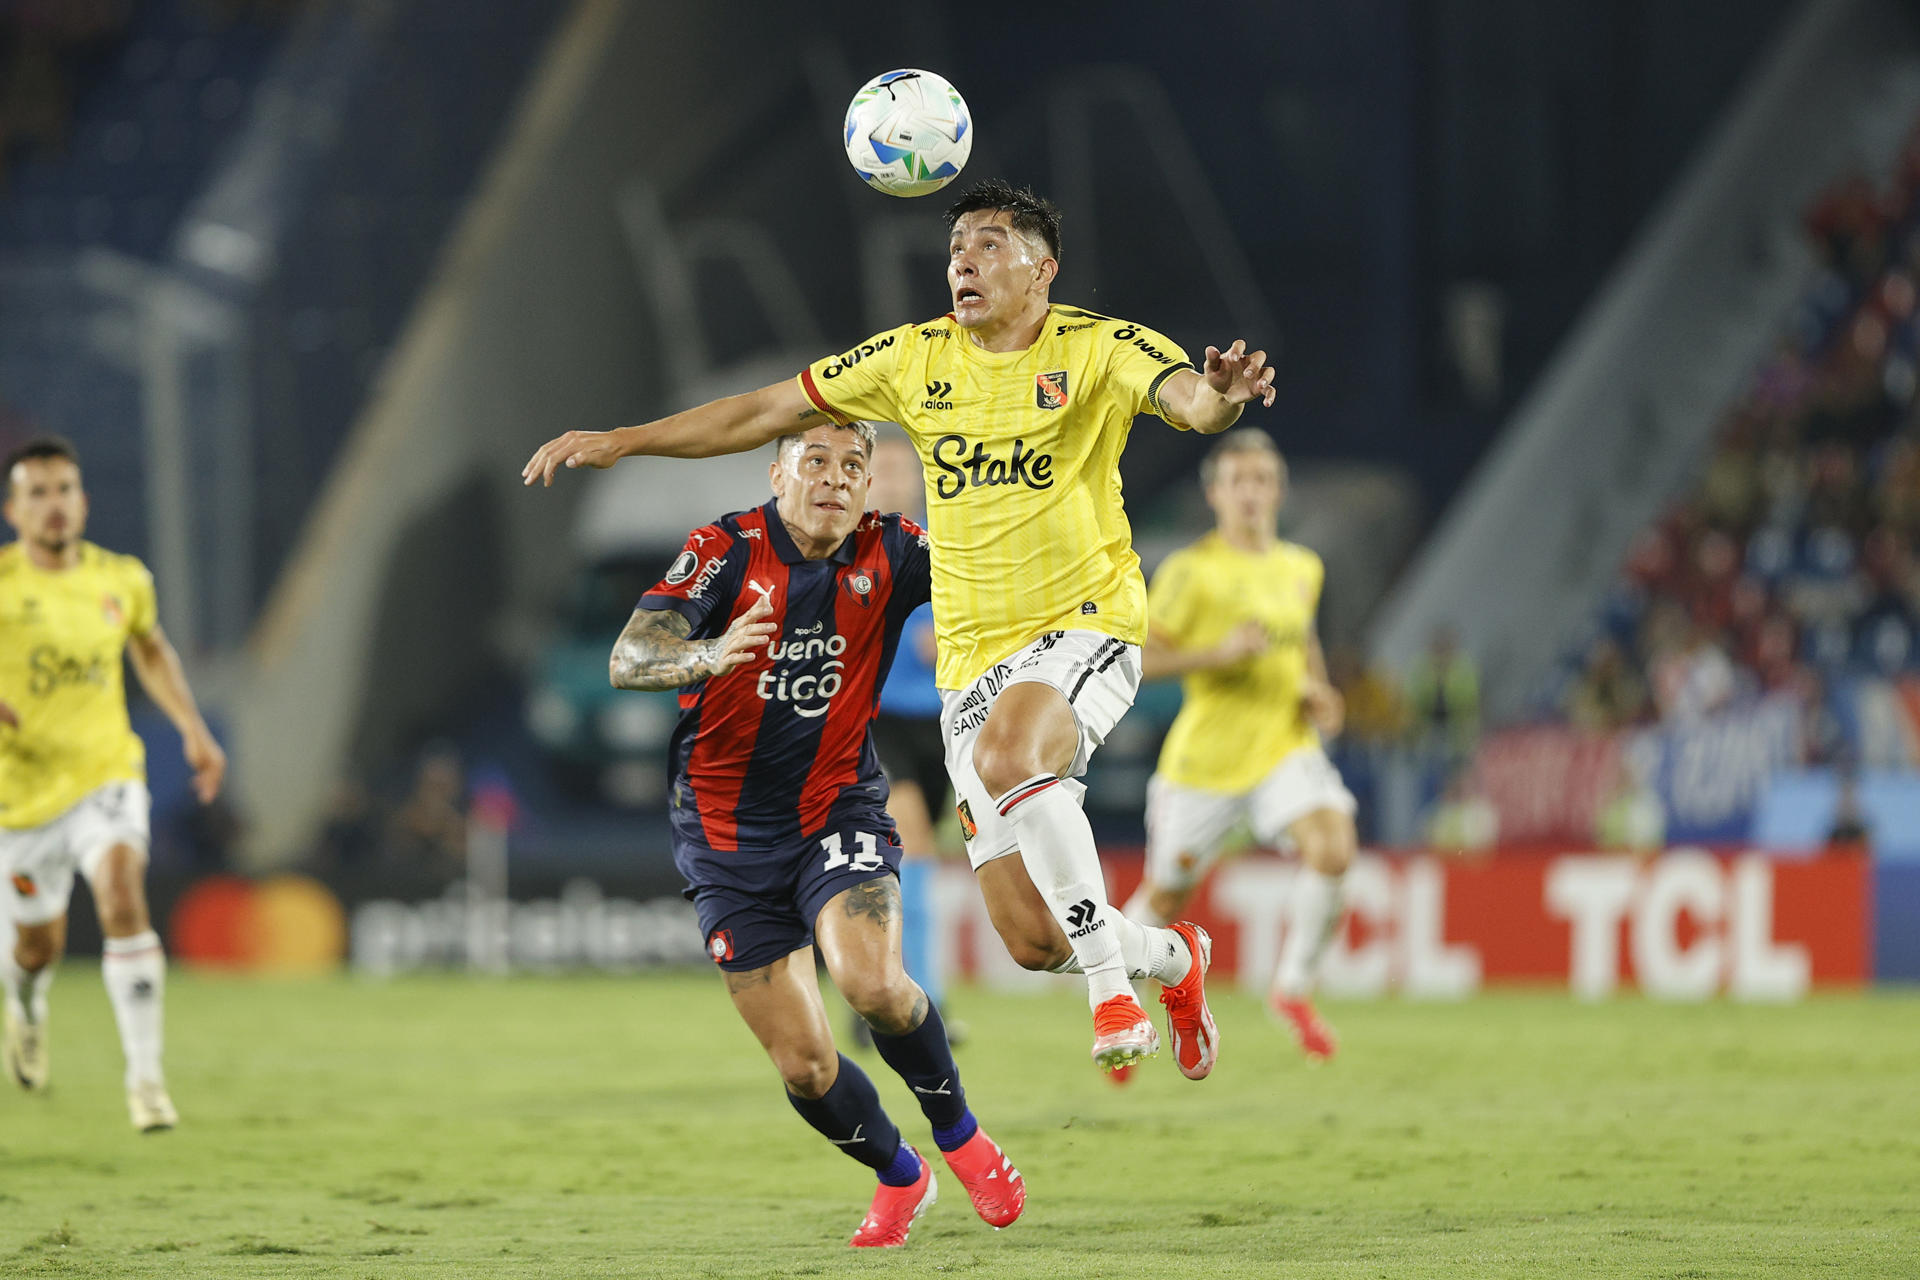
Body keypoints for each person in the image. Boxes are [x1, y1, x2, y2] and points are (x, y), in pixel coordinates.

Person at [527, 179, 1275, 1080]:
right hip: (970, 663)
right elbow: (767, 411)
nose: (964, 259)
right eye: (958, 246)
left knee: (1010, 760)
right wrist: (626, 439)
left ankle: (1113, 992)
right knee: (1032, 939)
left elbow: (1193, 401)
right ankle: (1176, 960)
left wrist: (1223, 400)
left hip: (1085, 624)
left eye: (990, 244)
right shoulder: (914, 358)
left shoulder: (1101, 345)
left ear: (1044, 270)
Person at [611, 419, 1021, 1249]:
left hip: (837, 809)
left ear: (871, 487)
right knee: (803, 1063)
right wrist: (710, 653)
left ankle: (961, 1134)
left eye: (854, 466)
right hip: (722, 841)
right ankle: (902, 1177)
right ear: (777, 472)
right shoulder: (725, 549)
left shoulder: (895, 550)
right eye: (816, 461)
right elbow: (630, 658)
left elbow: (1006, 583)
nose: (836, 478)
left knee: (872, 984)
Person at [0, 436, 226, 1131]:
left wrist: (192, 727)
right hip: (22, 798)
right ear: (14, 510)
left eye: (64, 489)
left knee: (123, 889)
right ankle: (27, 1008)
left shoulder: (121, 578)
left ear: (84, 501)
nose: (54, 504)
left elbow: (150, 649)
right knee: (37, 948)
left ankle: (147, 1083)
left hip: (105, 773)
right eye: (37, 493)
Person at [1125, 430, 1356, 1061]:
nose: (1251, 493)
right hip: (1205, 762)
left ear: (1279, 490)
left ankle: (1292, 989)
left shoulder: (1302, 566)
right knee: (1166, 894)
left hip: (1284, 746)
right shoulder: (1190, 571)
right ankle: (1120, 997)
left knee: (1333, 846)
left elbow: (1301, 643)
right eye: (1238, 481)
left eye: (1262, 480)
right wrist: (1217, 654)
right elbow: (1140, 658)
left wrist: (1319, 690)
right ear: (1215, 493)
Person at [860, 429, 958, 1043]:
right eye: (883, 472)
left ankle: (877, 991)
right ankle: (922, 999)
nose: (895, 483)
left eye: (904, 472)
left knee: (915, 860)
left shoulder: (951, 544)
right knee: (910, 843)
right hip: (879, 721)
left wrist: (949, 639)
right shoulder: (853, 547)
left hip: (948, 723)